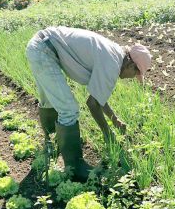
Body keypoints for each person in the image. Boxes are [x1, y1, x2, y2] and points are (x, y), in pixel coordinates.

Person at [25, 26, 152, 182]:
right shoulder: (112, 63)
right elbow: (92, 104)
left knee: (50, 100)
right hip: (44, 51)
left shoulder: (113, 54)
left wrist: (114, 119)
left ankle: (51, 145)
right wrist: (107, 132)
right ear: (131, 65)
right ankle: (75, 167)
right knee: (69, 109)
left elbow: (97, 95)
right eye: (135, 74)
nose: (132, 78)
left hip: (41, 45)